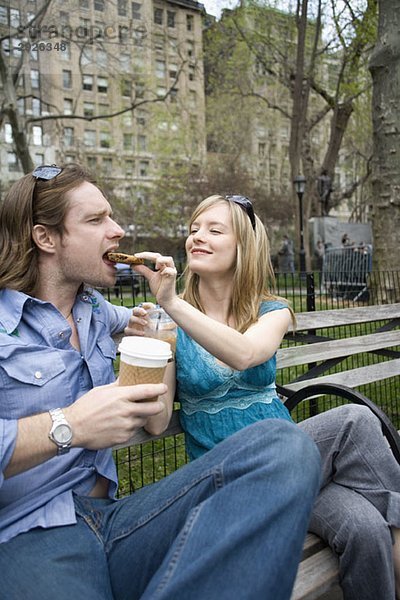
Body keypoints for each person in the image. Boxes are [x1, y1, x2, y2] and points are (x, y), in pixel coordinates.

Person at [0, 165, 321, 600]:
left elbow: (152, 326)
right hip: (30, 531)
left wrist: (158, 323)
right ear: (46, 238)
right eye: (97, 221)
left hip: (116, 519)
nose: (118, 230)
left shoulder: (94, 310)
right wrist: (68, 424)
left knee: (287, 447)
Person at [131, 194, 400, 600]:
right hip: (229, 477)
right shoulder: (170, 319)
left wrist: (171, 306)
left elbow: (244, 353)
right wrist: (150, 347)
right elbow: (154, 421)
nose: (197, 238)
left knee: (364, 528)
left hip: (290, 464)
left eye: (214, 230)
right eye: (193, 229)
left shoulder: (271, 311)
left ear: (244, 246)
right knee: (354, 420)